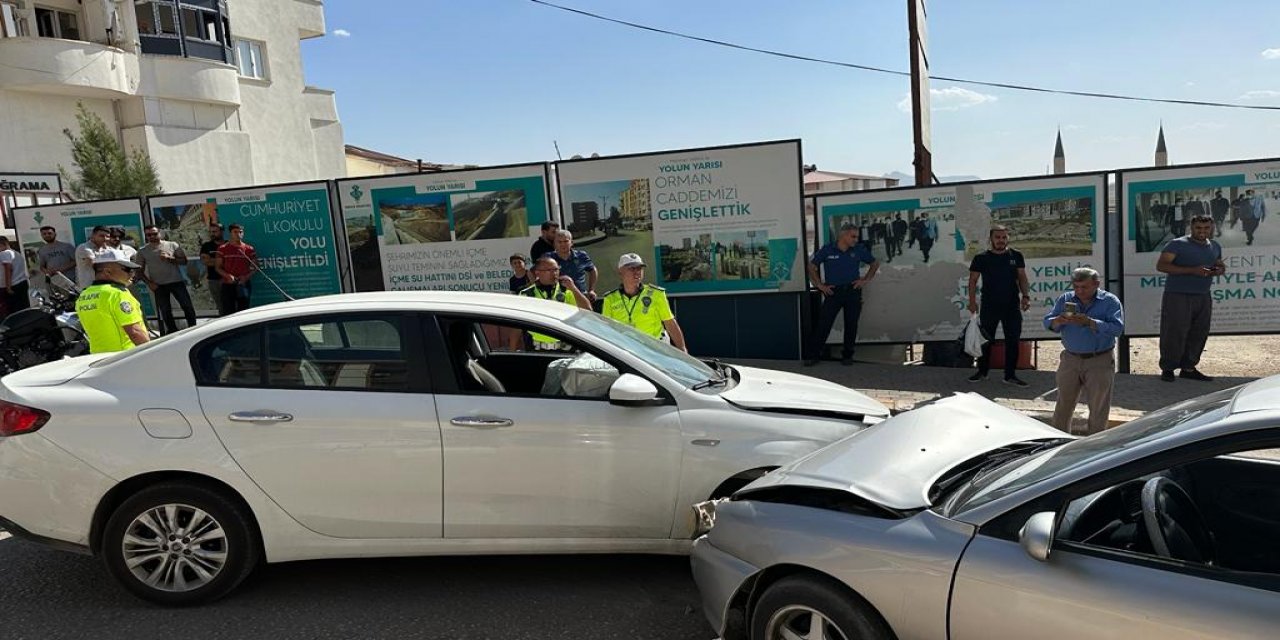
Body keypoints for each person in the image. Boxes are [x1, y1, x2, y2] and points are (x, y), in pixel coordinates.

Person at [1043, 268, 1124, 434]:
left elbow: (1117, 329)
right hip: (1070, 359)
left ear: (1096, 284)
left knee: (1098, 407)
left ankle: (1095, 447)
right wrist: (1058, 320)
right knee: (1063, 405)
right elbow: (1048, 322)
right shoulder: (1066, 299)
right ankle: (1059, 441)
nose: (1079, 291)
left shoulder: (1110, 301)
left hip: (1099, 360)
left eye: (1084, 287)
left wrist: (1090, 322)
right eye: (1076, 287)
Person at [1156, 214, 1224, 382]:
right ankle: (1168, 368)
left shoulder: (1215, 245)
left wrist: (1219, 269)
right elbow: (1162, 266)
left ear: (1212, 228)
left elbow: (1218, 264)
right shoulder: (1177, 244)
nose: (1202, 231)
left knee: (1199, 332)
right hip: (1178, 295)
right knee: (1174, 331)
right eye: (1198, 228)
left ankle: (1188, 367)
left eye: (1206, 228)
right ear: (1191, 228)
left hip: (1203, 295)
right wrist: (1193, 270)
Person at [804, 222, 878, 366]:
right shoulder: (828, 249)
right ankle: (813, 355)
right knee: (824, 324)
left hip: (852, 291)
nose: (856, 240)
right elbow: (812, 267)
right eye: (853, 236)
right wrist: (819, 285)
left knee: (851, 324)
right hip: (833, 292)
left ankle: (847, 356)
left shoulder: (858, 250)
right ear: (843, 235)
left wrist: (865, 280)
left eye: (856, 237)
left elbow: (875, 264)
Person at [967, 226, 1031, 386]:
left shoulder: (1016, 256)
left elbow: (1022, 277)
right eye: (998, 237)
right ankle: (982, 371)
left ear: (1007, 238)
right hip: (989, 305)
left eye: (1004, 237)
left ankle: (1010, 375)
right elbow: (973, 280)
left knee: (1013, 340)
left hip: (1011, 305)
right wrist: (972, 301)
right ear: (991, 239)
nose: (1001, 240)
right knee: (986, 340)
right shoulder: (981, 258)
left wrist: (1026, 296)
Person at [601, 253, 687, 352]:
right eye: (632, 268)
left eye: (639, 268)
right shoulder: (610, 298)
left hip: (655, 348)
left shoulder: (656, 294)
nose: (637, 272)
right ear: (620, 271)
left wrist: (682, 350)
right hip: (627, 350)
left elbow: (670, 323)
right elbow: (607, 329)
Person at [75, 248, 150, 353]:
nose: (132, 274)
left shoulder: (83, 296)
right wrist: (151, 353)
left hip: (98, 357)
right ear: (108, 271)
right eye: (127, 269)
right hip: (125, 356)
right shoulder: (117, 294)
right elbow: (135, 332)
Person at [519, 256, 591, 350]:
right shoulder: (526, 294)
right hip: (538, 348)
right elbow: (518, 326)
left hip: (566, 346)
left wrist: (574, 289)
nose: (554, 273)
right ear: (537, 272)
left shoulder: (567, 290)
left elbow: (588, 311)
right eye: (549, 270)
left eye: (556, 269)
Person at [136, 225, 196, 334]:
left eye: (154, 233)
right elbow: (139, 271)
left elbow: (184, 261)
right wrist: (149, 283)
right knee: (165, 311)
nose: (152, 236)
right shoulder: (142, 251)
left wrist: (170, 258)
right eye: (149, 235)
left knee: (187, 306)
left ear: (160, 233)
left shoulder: (172, 245)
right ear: (146, 236)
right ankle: (173, 332)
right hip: (159, 285)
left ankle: (194, 329)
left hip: (176, 282)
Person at [542, 229, 597, 304]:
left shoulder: (581, 255)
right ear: (554, 244)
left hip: (580, 296)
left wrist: (591, 290)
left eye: (566, 241)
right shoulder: (548, 258)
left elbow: (593, 270)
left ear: (571, 243)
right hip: (558, 299)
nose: (563, 244)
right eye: (559, 242)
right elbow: (536, 272)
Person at [215, 223, 257, 315]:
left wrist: (246, 277)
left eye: (240, 232)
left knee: (243, 312)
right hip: (228, 284)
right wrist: (227, 276)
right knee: (228, 312)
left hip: (243, 284)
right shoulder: (222, 248)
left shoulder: (249, 249)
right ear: (230, 233)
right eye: (235, 232)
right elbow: (218, 267)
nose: (238, 234)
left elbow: (255, 267)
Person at [200, 223, 226, 314]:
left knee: (233, 305)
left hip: (228, 280)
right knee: (221, 307)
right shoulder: (206, 246)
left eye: (215, 231)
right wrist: (223, 260)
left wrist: (213, 260)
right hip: (214, 281)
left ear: (222, 232)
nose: (212, 234)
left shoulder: (228, 245)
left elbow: (232, 261)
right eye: (211, 232)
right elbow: (205, 262)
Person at [0, 237, 30, 316]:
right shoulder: (17, 253)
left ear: (4, 244)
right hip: (22, 283)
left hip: (13, 285)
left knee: (14, 312)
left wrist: (8, 287)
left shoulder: (5, 253)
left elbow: (8, 269)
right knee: (24, 308)